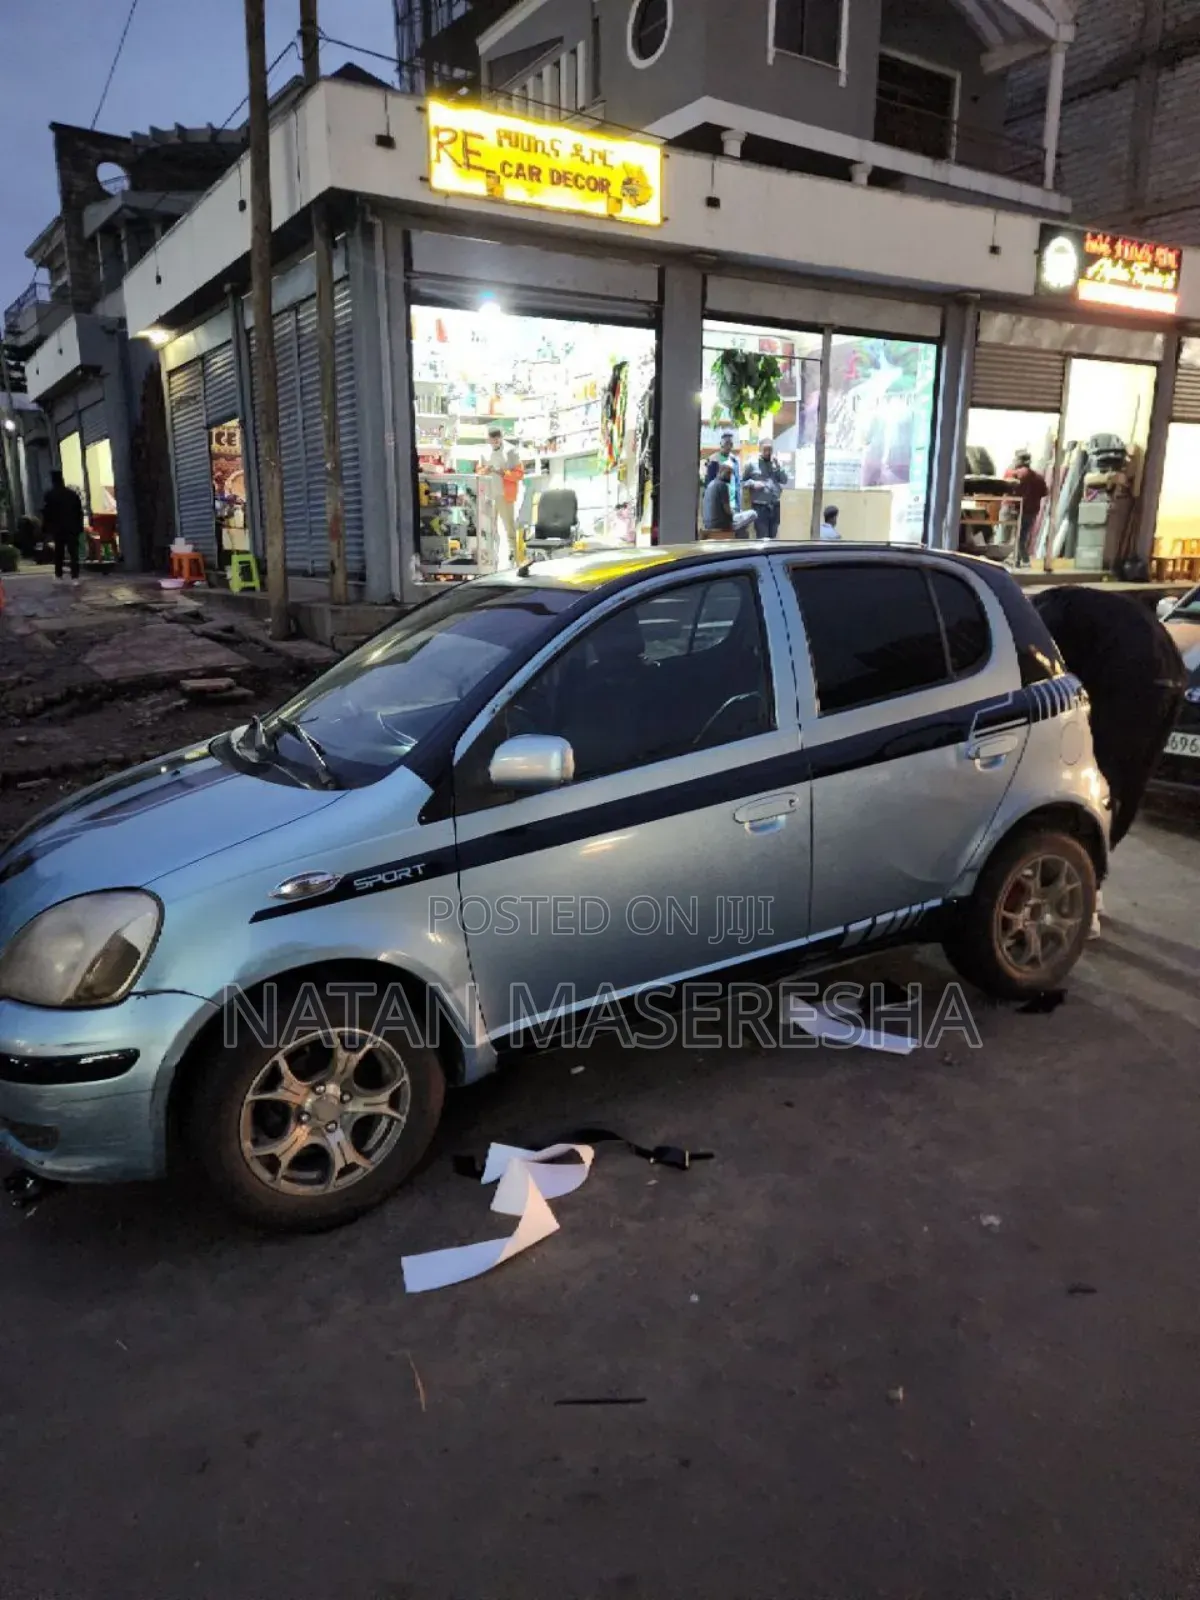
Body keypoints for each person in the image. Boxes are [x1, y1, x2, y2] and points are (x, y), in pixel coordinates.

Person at [1032, 586, 1187, 930]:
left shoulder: (1041, 620)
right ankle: (1091, 888)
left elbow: (1039, 677)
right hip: (1171, 672)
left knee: (1097, 785)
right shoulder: (1065, 605)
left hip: (1130, 677)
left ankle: (1083, 897)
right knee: (1127, 785)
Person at [477, 426, 523, 571]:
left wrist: (503, 473)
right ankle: (490, 563)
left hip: (504, 494)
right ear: (488, 439)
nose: (495, 442)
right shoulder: (484, 452)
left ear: (501, 438)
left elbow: (519, 474)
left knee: (509, 529)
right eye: (492, 439)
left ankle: (514, 562)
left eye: (497, 439)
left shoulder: (511, 451)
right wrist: (486, 470)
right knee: (488, 530)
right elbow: (478, 472)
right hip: (488, 495)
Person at [1006, 450, 1049, 567]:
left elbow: (1010, 491)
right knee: (1022, 537)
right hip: (1032, 511)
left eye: (1016, 459)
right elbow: (1045, 492)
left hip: (1018, 509)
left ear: (1020, 461)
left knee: (1016, 537)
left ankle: (1024, 560)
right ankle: (1018, 560)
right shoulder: (1038, 477)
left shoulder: (1016, 474)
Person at [42, 470, 84, 583]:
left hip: (58, 528)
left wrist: (46, 529)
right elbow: (79, 512)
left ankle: (59, 574)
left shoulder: (50, 495)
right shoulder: (72, 495)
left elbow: (47, 513)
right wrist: (79, 526)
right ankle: (75, 576)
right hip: (72, 527)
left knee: (59, 552)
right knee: (73, 552)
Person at [743, 438, 787, 540]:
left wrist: (778, 467)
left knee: (773, 536)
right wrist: (753, 483)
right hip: (760, 506)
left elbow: (784, 480)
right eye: (765, 449)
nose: (768, 452)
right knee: (762, 538)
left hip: (775, 505)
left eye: (770, 449)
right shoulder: (751, 463)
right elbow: (741, 482)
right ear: (760, 449)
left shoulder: (776, 463)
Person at [702, 462, 757, 537]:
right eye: (728, 473)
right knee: (753, 513)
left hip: (708, 523)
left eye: (730, 474)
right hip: (720, 524)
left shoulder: (710, 484)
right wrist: (735, 514)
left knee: (742, 529)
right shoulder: (722, 485)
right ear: (720, 472)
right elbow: (727, 510)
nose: (730, 477)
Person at [704, 431, 742, 507]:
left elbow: (737, 483)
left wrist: (738, 503)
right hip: (719, 504)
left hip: (733, 504)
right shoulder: (713, 460)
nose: (729, 446)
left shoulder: (735, 460)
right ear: (721, 444)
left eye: (731, 444)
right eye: (726, 443)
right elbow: (709, 484)